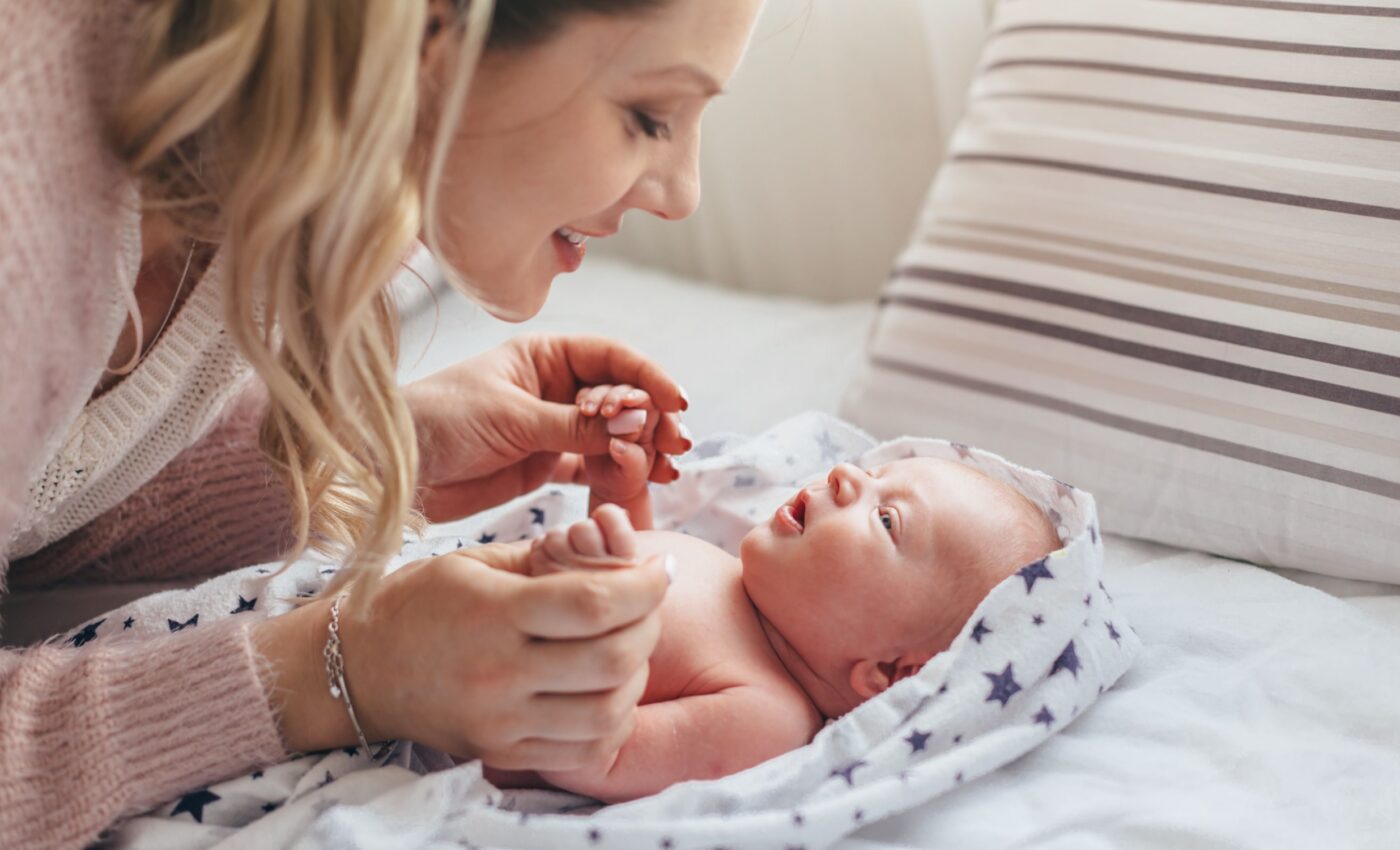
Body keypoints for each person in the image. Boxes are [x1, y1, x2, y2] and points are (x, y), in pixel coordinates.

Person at [0, 0, 763, 846]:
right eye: (650, 115)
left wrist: (365, 450)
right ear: (434, 29)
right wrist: (338, 673)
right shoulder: (22, 191)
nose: (684, 194)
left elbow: (47, 495)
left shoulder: (268, 167)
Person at [477, 390, 1061, 802]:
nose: (847, 476)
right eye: (875, 476)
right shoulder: (735, 580)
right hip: (459, 611)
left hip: (458, 696)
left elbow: (601, 756)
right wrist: (617, 501)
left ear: (888, 673)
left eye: (887, 518)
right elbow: (639, 572)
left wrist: (576, 630)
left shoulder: (769, 716)